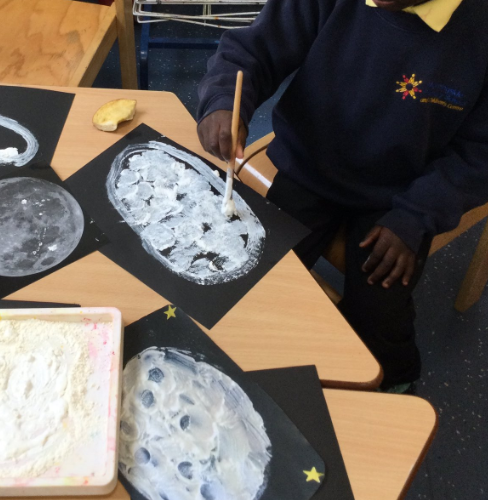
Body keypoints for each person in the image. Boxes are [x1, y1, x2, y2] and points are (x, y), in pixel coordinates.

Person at [197, 0, 488, 391]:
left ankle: (395, 386)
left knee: (380, 314)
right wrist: (221, 101)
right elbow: (255, 49)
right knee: (253, 274)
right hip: (308, 169)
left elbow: (479, 154)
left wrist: (418, 215)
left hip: (405, 194)